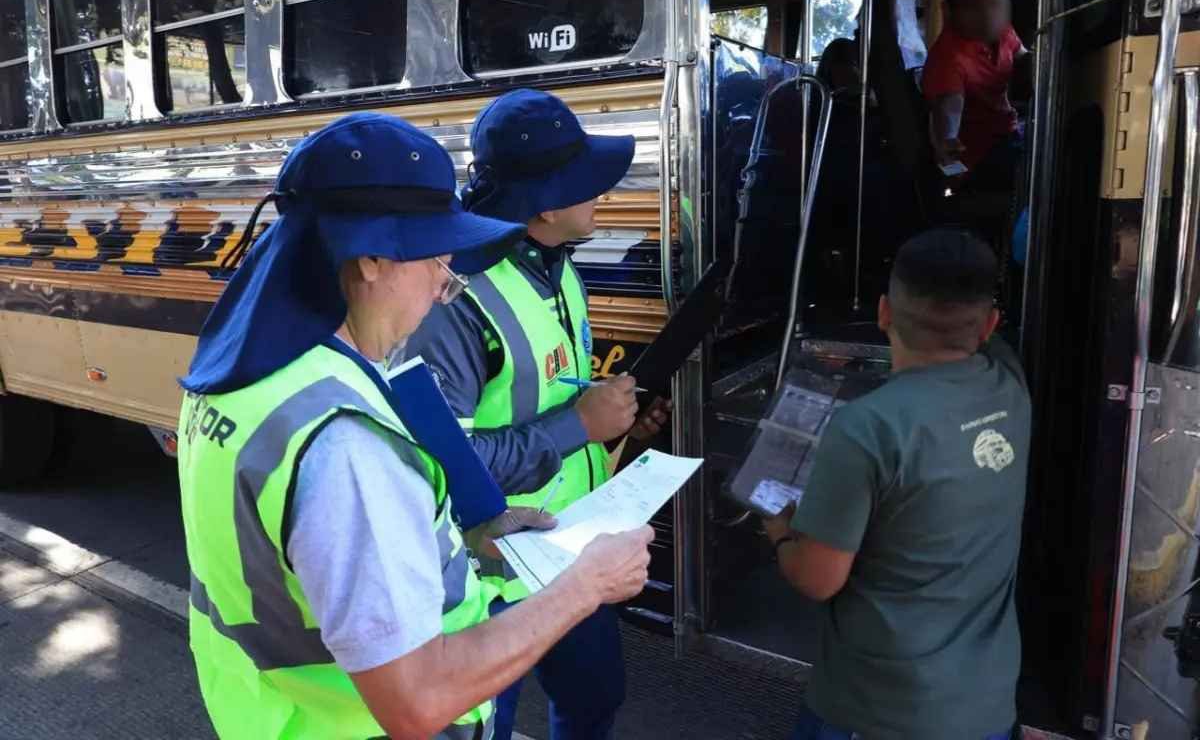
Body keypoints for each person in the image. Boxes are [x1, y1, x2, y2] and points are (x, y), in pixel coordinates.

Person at [176, 112, 655, 740]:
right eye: (435, 258)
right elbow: (418, 700)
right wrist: (586, 585)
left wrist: (468, 537)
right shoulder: (345, 442)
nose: (443, 283)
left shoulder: (251, 379)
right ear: (371, 259)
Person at [407, 89, 670, 740]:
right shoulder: (454, 301)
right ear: (544, 206)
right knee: (484, 724)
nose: (601, 195)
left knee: (595, 697)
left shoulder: (556, 268)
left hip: (573, 545)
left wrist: (614, 427)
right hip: (491, 567)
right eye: (587, 184)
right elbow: (442, 458)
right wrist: (579, 426)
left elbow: (551, 393)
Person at [764, 229, 1031, 740]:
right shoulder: (1010, 386)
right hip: (986, 706)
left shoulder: (867, 428)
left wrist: (778, 530)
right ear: (991, 323)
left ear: (884, 313)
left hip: (875, 711)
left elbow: (817, 579)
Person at [923, 0, 1031, 194]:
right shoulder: (948, 59)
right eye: (975, 5)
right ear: (955, 9)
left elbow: (1027, 60)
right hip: (983, 161)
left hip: (1010, 132)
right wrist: (954, 186)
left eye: (995, 3)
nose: (988, 14)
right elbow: (946, 136)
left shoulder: (1003, 32)